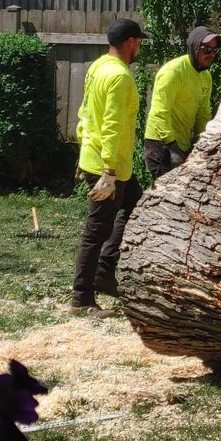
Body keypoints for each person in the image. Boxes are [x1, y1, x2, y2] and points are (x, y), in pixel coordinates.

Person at [70, 17, 150, 317]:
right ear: (130, 42)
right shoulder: (119, 77)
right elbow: (113, 126)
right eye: (138, 41)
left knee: (137, 207)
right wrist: (109, 173)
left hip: (105, 161)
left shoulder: (98, 67)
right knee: (96, 231)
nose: (139, 47)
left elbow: (85, 112)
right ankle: (81, 299)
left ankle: (104, 271)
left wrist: (85, 147)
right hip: (109, 167)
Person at [143, 25, 221, 180]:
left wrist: (207, 141)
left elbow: (203, 114)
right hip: (160, 143)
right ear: (194, 47)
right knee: (165, 191)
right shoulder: (173, 72)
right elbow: (160, 112)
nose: (211, 54)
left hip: (181, 143)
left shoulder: (206, 77)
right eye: (206, 49)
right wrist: (173, 147)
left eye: (214, 50)